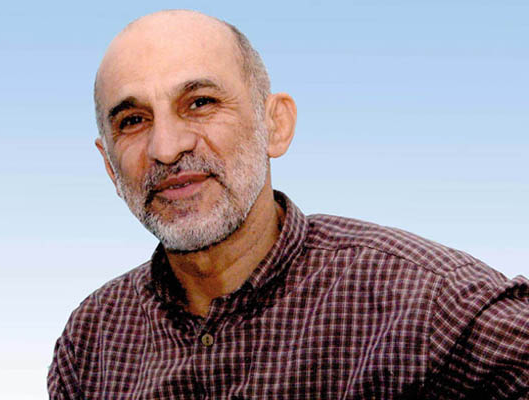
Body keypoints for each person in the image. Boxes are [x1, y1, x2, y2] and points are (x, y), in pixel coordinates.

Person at [48, 10, 529, 399]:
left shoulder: (429, 304)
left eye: (200, 103)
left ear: (275, 125)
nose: (167, 148)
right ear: (109, 166)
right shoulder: (91, 342)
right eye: (133, 120)